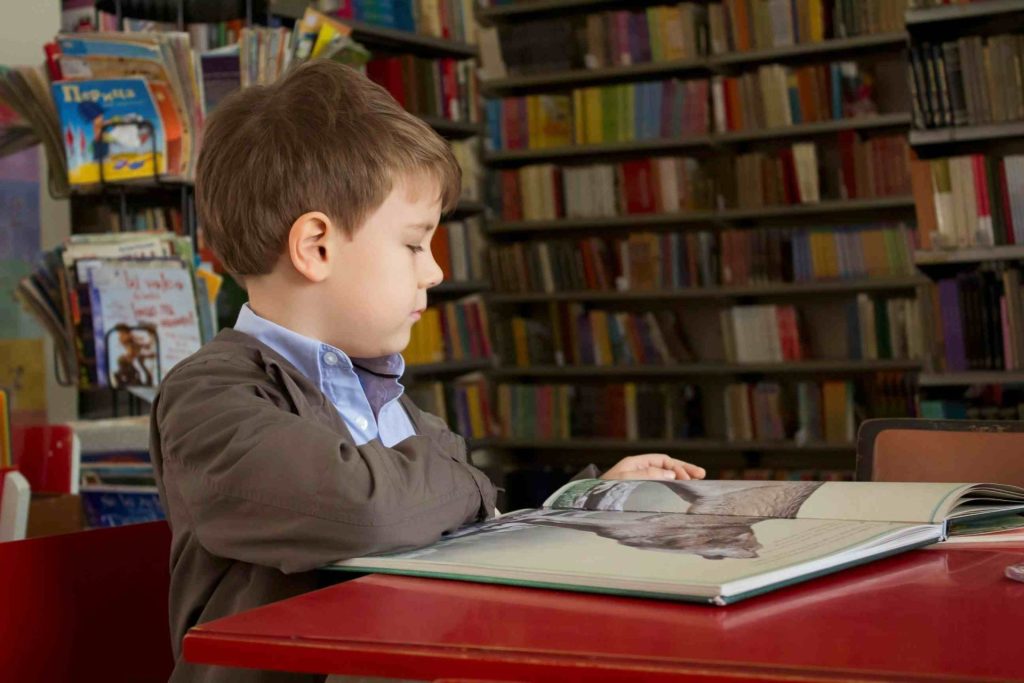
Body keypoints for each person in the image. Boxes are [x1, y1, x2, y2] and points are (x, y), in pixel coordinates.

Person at [150, 60, 706, 683]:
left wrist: (582, 503)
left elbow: (456, 525)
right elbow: (369, 513)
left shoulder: (380, 391)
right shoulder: (210, 396)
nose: (435, 272)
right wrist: (463, 480)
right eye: (415, 243)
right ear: (316, 248)